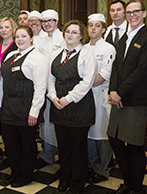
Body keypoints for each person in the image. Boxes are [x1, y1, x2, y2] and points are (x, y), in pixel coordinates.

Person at [107, 0, 147, 194]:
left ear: (144, 13)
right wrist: (113, 91)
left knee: (134, 144)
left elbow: (142, 69)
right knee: (115, 139)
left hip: (136, 100)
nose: (132, 15)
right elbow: (116, 66)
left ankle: (136, 188)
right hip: (118, 98)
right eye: (129, 12)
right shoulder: (124, 38)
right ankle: (127, 182)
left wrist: (120, 92)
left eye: (136, 11)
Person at [47, 20, 98, 194]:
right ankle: (65, 178)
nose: (70, 35)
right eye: (68, 31)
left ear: (81, 35)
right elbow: (50, 78)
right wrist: (53, 97)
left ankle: (77, 183)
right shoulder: (56, 54)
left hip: (79, 106)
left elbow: (87, 82)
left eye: (74, 32)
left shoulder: (87, 54)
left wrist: (67, 99)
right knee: (63, 146)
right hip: (58, 105)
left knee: (78, 148)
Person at [0, 26, 47, 187]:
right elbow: (2, 82)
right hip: (8, 108)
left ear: (31, 38)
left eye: (23, 36)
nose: (19, 39)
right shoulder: (11, 55)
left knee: (27, 144)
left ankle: (25, 175)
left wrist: (34, 112)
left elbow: (40, 88)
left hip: (26, 109)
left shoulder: (37, 58)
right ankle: (15, 171)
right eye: (17, 36)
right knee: (10, 143)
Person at [84, 14, 116, 183]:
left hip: (100, 95)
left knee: (101, 134)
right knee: (88, 134)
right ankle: (90, 166)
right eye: (90, 25)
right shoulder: (83, 48)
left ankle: (101, 170)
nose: (93, 28)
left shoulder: (108, 49)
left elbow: (104, 74)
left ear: (103, 29)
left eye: (97, 26)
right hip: (85, 97)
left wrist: (82, 87)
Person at [36, 9, 66, 170]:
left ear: (56, 21)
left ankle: (63, 157)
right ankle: (47, 155)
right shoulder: (40, 40)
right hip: (42, 87)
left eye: (50, 21)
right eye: (44, 21)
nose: (47, 24)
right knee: (45, 123)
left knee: (59, 124)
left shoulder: (63, 39)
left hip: (58, 88)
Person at [0, 17, 18, 162]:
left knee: (6, 123)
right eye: (1, 27)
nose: (4, 30)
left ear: (13, 29)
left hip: (9, 89)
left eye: (7, 27)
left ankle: (10, 151)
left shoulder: (17, 46)